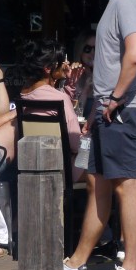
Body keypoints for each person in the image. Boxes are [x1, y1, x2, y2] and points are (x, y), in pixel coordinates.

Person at [63, 0, 136, 270]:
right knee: (99, 186)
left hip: (124, 108)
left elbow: (134, 53)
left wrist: (114, 98)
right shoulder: (119, 2)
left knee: (126, 186)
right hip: (109, 110)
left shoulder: (127, 1)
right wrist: (98, 109)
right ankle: (76, 263)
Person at [17, 39, 83, 182]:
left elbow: (50, 95)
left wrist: (70, 84)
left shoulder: (24, 94)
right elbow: (75, 144)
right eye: (62, 61)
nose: (66, 64)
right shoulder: (60, 99)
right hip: (63, 168)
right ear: (48, 68)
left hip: (34, 163)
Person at [70, 31, 97, 118]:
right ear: (80, 50)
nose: (92, 53)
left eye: (96, 48)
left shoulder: (106, 75)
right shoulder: (73, 76)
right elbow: (74, 114)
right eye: (87, 49)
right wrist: (86, 89)